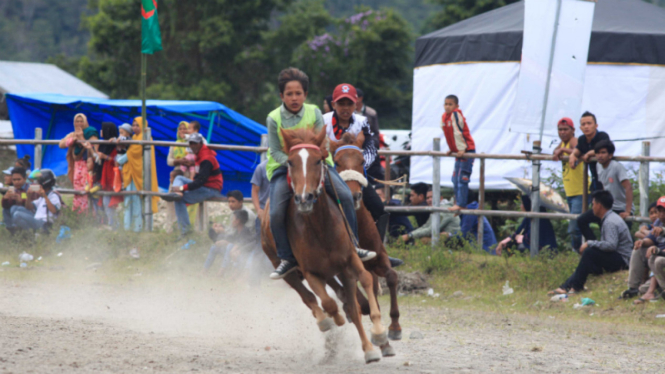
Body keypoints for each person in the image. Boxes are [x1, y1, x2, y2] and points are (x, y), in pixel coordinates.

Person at [265, 67, 375, 279]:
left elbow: (322, 142)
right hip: (284, 168)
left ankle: (353, 245)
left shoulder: (314, 112)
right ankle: (286, 257)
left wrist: (317, 161)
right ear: (281, 96)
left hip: (318, 165)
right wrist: (292, 163)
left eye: (298, 93)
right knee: (276, 212)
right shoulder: (273, 118)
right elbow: (275, 150)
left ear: (305, 95)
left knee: (345, 196)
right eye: (289, 94)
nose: (294, 98)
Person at [324, 83, 386, 221]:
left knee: (378, 207)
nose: (345, 108)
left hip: (357, 173)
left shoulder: (363, 121)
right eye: (341, 103)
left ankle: (377, 242)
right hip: (329, 173)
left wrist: (361, 164)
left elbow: (371, 146)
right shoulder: (323, 121)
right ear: (334, 104)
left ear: (356, 105)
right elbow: (319, 144)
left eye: (349, 103)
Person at [550, 190, 632, 295]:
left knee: (589, 252)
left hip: (623, 260)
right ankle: (566, 286)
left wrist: (590, 243)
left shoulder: (610, 221)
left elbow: (611, 245)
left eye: (593, 204)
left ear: (599, 205)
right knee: (587, 260)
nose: (592, 207)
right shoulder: (608, 218)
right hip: (617, 257)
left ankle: (575, 287)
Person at [167, 133, 224, 237]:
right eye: (191, 143)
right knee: (179, 178)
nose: (192, 145)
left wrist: (182, 188)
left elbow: (200, 181)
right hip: (205, 185)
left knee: (179, 200)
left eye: (195, 143)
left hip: (210, 188)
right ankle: (177, 193)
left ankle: (186, 231)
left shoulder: (206, 158)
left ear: (201, 143)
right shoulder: (200, 155)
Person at [577, 140, 633, 243]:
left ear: (610, 155)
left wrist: (628, 211)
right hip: (607, 207)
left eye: (603, 152)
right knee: (581, 220)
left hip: (621, 208)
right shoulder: (598, 165)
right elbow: (604, 186)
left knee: (619, 239)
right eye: (597, 153)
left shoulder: (616, 167)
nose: (600, 156)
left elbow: (628, 187)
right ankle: (593, 245)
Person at [116, 117, 159, 232]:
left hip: (139, 176)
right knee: (129, 202)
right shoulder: (133, 138)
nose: (134, 127)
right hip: (132, 174)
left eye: (137, 125)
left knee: (136, 203)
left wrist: (120, 159)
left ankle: (137, 230)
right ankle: (128, 229)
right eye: (133, 125)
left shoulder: (145, 138)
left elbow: (131, 155)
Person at [552, 117, 585, 251]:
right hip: (571, 191)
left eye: (566, 129)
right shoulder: (563, 143)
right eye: (560, 129)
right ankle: (578, 252)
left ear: (573, 130)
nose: (563, 132)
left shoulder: (574, 141)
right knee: (575, 226)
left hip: (580, 191)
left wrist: (563, 151)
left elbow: (581, 150)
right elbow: (555, 150)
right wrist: (558, 150)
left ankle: (578, 252)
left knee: (574, 227)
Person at [623, 197, 665, 301]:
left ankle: (656, 289)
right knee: (639, 249)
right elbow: (651, 238)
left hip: (660, 257)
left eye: (664, 211)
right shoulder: (658, 222)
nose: (661, 214)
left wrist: (657, 249)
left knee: (657, 259)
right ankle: (633, 287)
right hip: (658, 255)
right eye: (660, 211)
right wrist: (642, 242)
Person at [203, 192, 257, 272]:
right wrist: (221, 227)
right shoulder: (235, 212)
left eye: (233, 201)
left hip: (245, 246)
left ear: (241, 202)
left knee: (228, 246)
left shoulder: (248, 214)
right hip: (235, 241)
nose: (230, 204)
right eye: (229, 201)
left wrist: (225, 236)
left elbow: (244, 235)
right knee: (214, 245)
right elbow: (233, 230)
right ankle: (204, 271)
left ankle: (222, 271)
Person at [58, 113, 99, 214]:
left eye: (81, 121)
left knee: (87, 189)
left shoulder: (91, 132)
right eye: (77, 121)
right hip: (77, 166)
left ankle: (88, 216)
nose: (79, 123)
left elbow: (95, 148)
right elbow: (61, 144)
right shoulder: (73, 134)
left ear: (85, 122)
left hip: (88, 166)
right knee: (77, 190)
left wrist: (81, 138)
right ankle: (77, 215)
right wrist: (73, 140)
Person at [441, 95, 476, 212]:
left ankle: (461, 203)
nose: (447, 106)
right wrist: (453, 148)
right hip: (459, 150)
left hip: (466, 150)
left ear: (456, 106)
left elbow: (458, 132)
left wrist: (462, 148)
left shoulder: (455, 115)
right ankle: (458, 202)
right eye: (446, 104)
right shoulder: (445, 117)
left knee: (462, 178)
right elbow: (448, 134)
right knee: (455, 178)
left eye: (450, 104)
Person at [567, 111, 610, 193]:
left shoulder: (603, 136)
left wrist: (589, 153)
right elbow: (578, 149)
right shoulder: (582, 139)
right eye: (583, 124)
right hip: (595, 180)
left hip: (608, 179)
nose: (586, 126)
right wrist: (573, 155)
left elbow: (604, 149)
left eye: (589, 123)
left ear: (596, 126)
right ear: (580, 127)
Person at [90, 122, 123, 228]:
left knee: (109, 203)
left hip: (111, 178)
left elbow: (117, 160)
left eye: (103, 129)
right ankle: (113, 225)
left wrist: (105, 156)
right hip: (105, 177)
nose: (101, 131)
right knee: (105, 202)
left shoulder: (115, 145)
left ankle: (115, 227)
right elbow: (97, 158)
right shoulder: (104, 144)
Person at [2, 167, 30, 233]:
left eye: (18, 179)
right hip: (17, 213)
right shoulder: (14, 189)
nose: (16, 182)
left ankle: (16, 227)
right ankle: (10, 228)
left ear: (25, 179)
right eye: (14, 180)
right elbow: (6, 205)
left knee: (14, 208)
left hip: (29, 213)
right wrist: (5, 199)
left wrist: (21, 200)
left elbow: (32, 203)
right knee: (5, 210)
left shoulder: (28, 188)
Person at [251, 159, 269, 230]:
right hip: (264, 211)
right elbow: (254, 191)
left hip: (285, 213)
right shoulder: (262, 167)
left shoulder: (289, 165)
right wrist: (258, 210)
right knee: (260, 240)